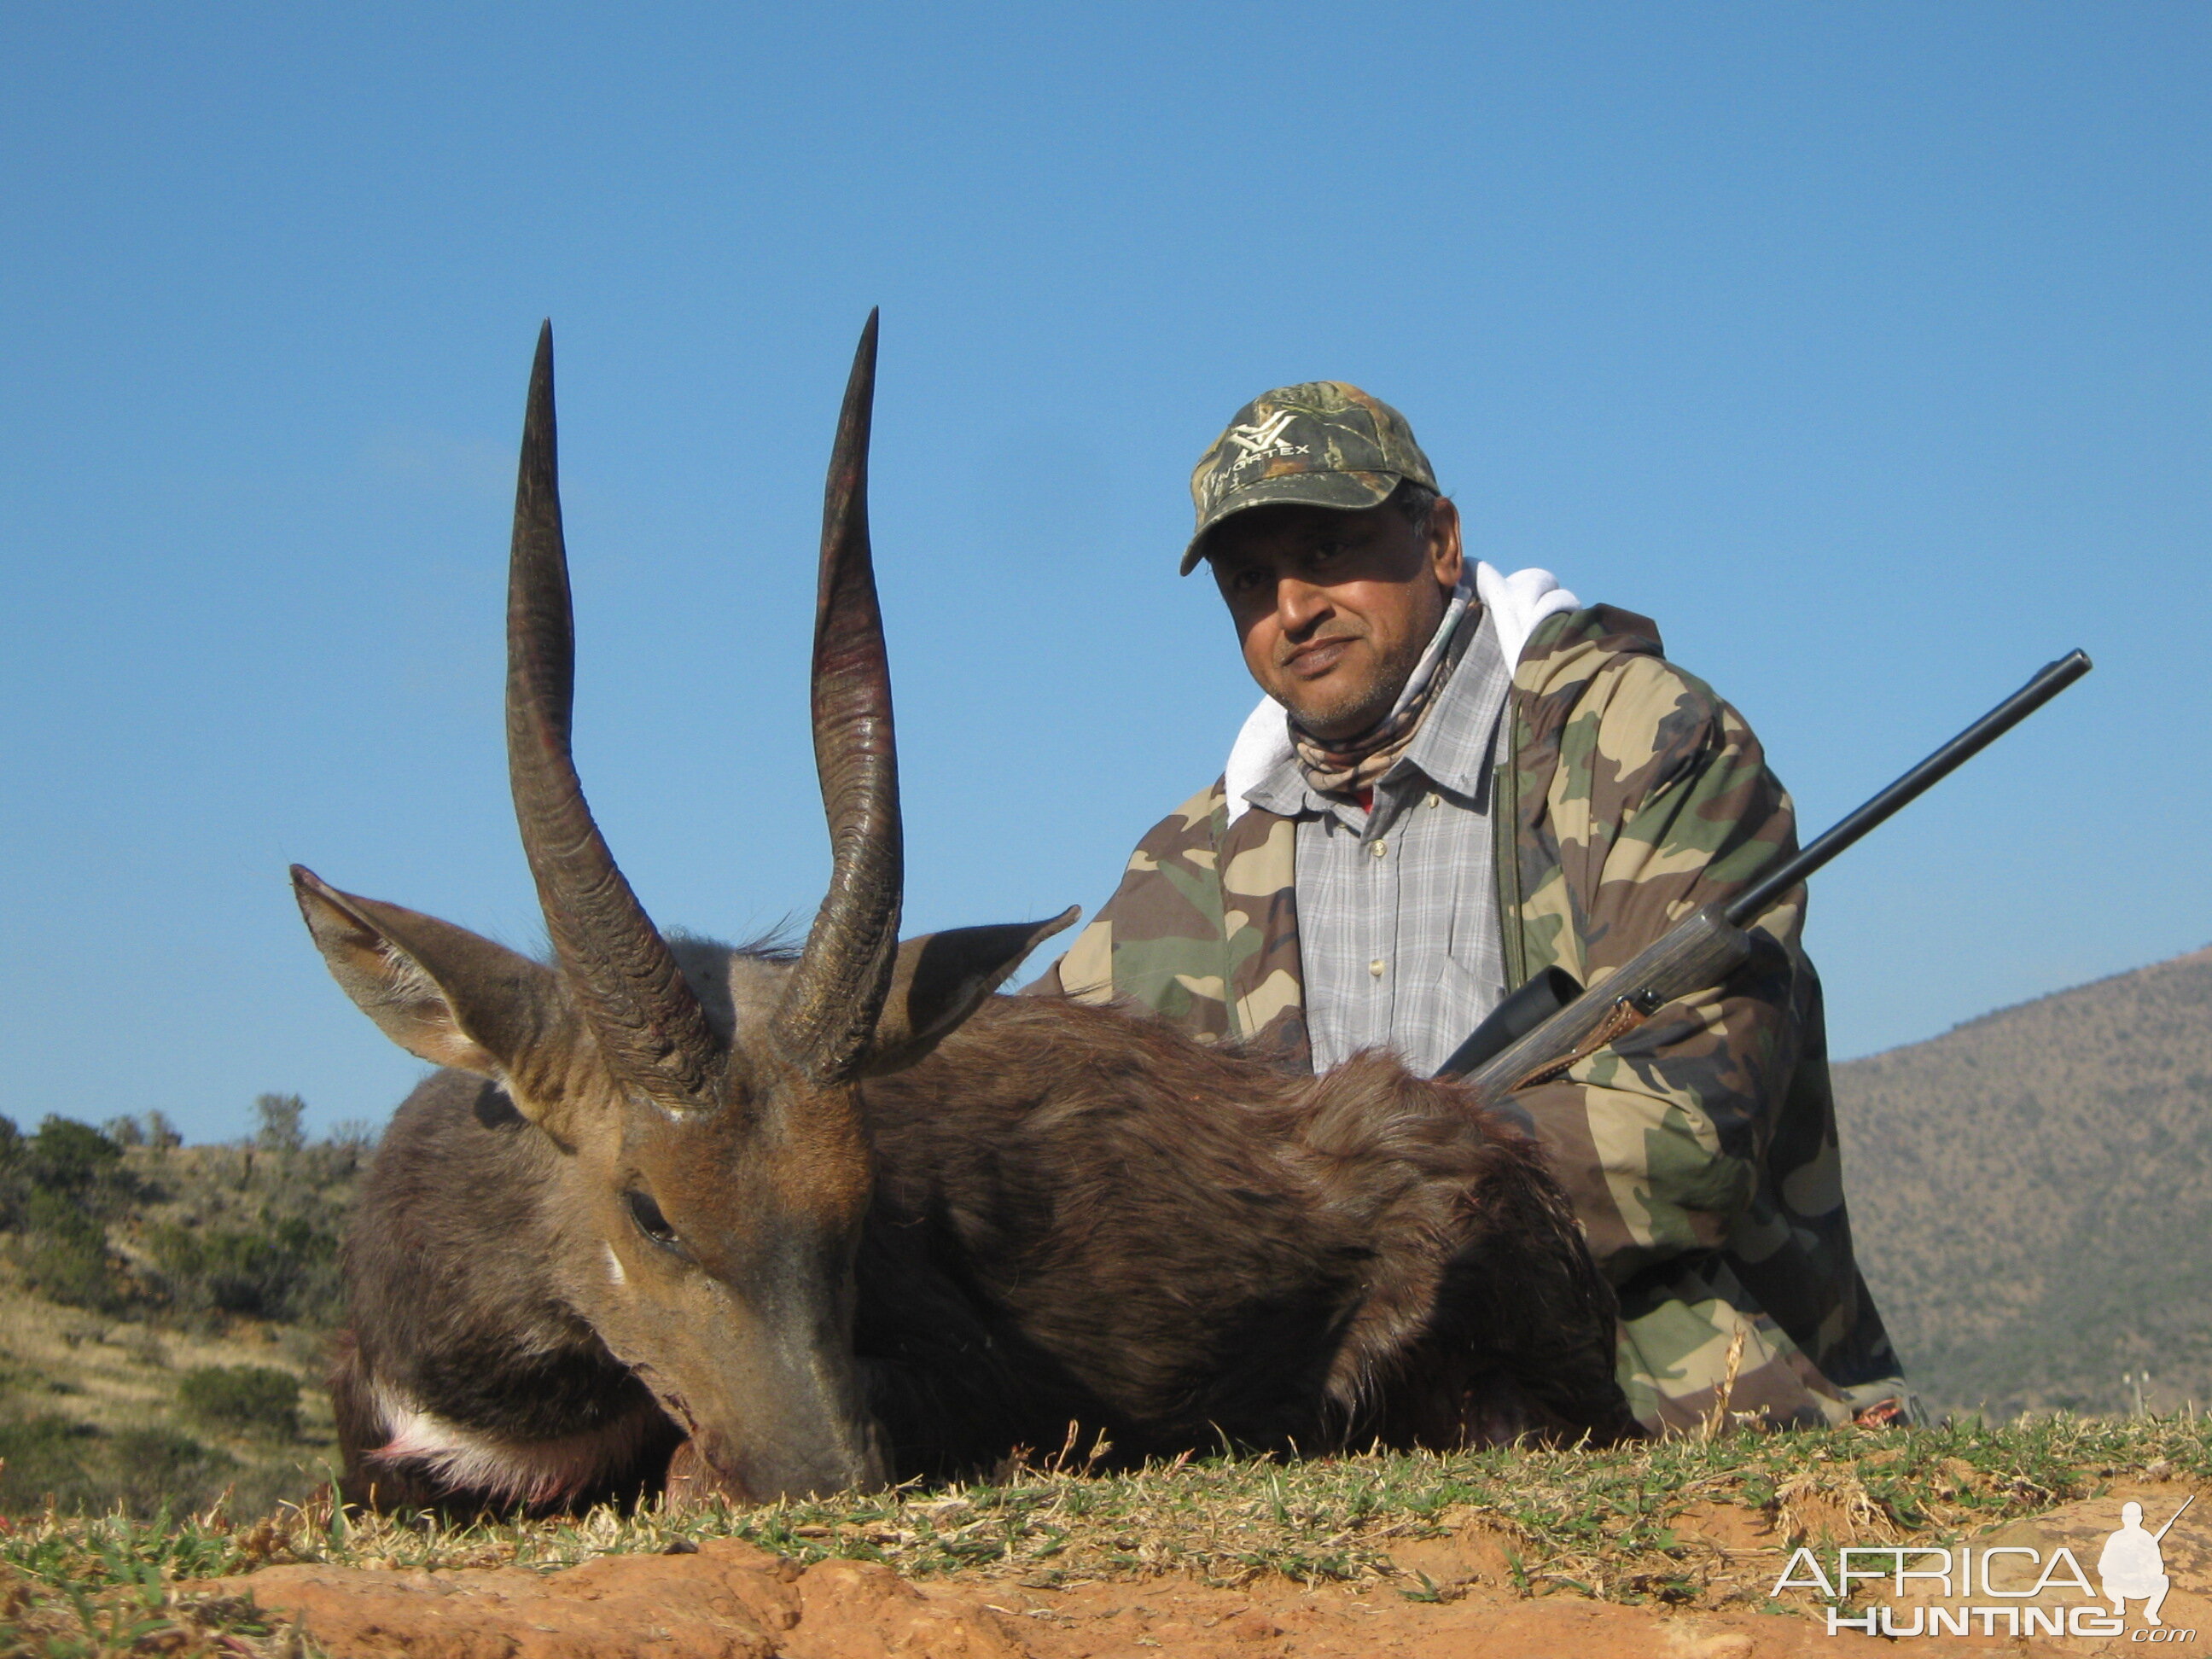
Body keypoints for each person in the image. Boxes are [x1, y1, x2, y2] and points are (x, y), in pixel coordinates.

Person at [1029, 381, 1909, 1432]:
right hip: (1328, 1424)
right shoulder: (1190, 865)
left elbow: (1686, 1134)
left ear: (1440, 539)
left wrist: (1322, 1228)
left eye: (1327, 551)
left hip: (1669, 1393)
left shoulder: (1649, 742)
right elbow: (1048, 1125)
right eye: (1252, 581)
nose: (1294, 608)